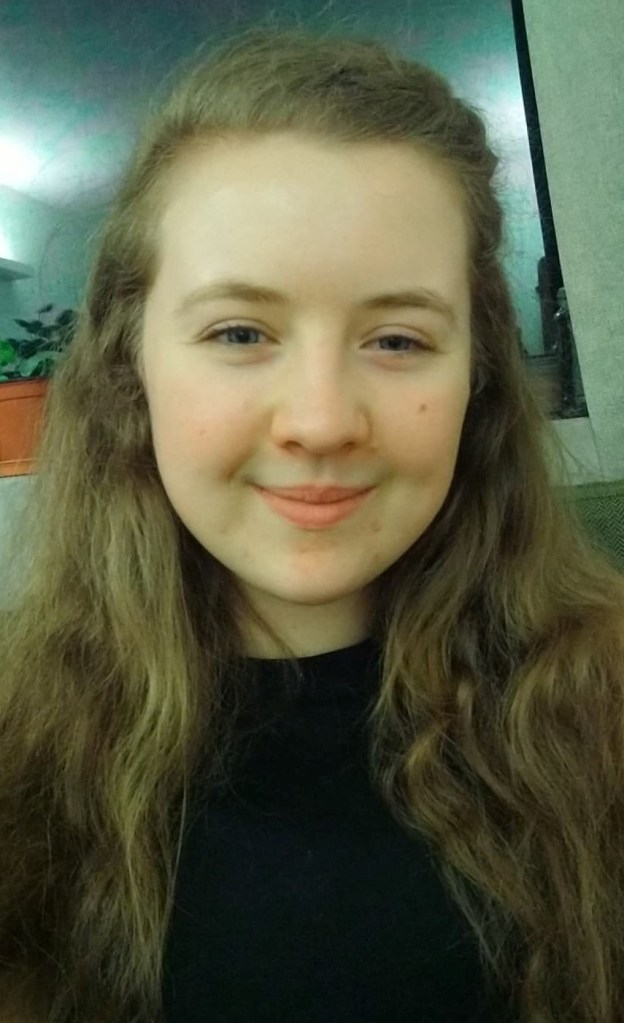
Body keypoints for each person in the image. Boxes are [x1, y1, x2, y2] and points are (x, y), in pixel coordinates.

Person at [1, 18, 624, 1023]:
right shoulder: (19, 755)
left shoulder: (608, 716)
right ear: (129, 363)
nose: (324, 420)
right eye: (240, 332)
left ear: (476, 375)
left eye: (397, 339)